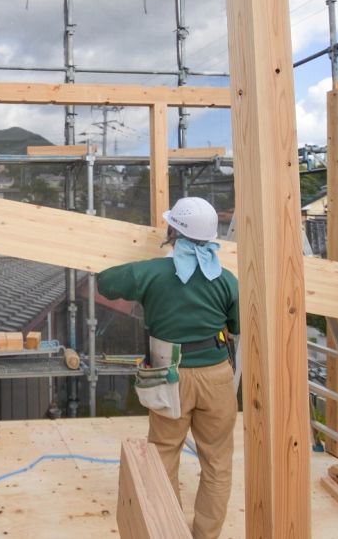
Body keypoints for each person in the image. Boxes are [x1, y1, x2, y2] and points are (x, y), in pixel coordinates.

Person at [97, 197, 239, 539]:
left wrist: (145, 269)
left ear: (173, 230)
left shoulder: (152, 273)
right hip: (216, 374)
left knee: (163, 454)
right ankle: (206, 535)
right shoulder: (225, 278)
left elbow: (105, 282)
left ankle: (168, 531)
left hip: (170, 374)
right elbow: (236, 324)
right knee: (217, 462)